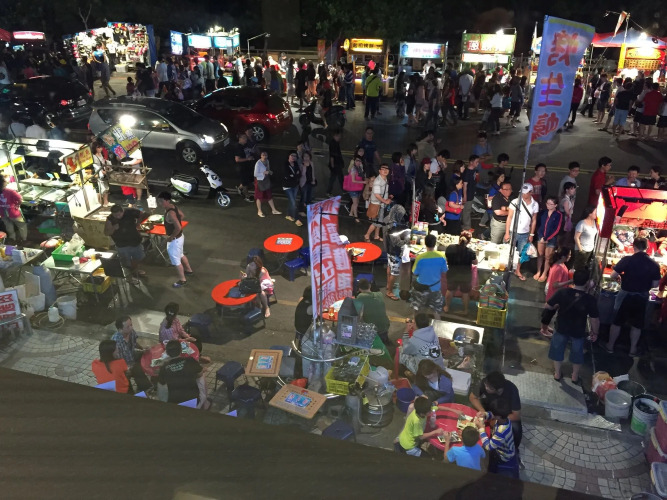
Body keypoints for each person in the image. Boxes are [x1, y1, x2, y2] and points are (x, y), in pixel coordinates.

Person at [540, 269, 599, 384]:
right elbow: (594, 319)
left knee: (557, 349)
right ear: (587, 282)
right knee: (577, 353)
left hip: (561, 327)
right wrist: (595, 332)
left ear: (573, 280)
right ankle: (574, 376)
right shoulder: (590, 299)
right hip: (578, 331)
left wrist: (556, 306)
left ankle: (557, 373)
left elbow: (548, 306)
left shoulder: (562, 292)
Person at [605, 238, 661, 357]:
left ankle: (610, 346)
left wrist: (620, 278)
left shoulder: (627, 260)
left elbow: (613, 275)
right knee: (637, 324)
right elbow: (655, 285)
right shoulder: (654, 264)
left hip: (625, 294)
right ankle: (632, 350)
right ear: (647, 247)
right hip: (642, 296)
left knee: (617, 322)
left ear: (633, 246)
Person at [469, 371, 522, 469]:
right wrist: (484, 413)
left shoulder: (511, 390)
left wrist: (482, 428)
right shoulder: (486, 383)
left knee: (516, 428)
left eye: (489, 388)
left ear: (498, 390)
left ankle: (515, 452)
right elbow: (473, 397)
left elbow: (516, 415)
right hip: (496, 412)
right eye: (486, 385)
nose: (486, 388)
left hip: (504, 414)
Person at [157, 192, 193, 288]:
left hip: (175, 240)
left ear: (167, 200)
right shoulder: (173, 207)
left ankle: (182, 280)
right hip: (180, 237)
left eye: (161, 201)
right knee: (181, 254)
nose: (160, 203)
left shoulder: (170, 213)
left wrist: (170, 237)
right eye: (159, 201)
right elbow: (182, 215)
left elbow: (178, 228)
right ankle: (189, 270)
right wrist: (174, 222)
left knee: (176, 261)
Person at [157, 340, 208, 408]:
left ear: (167, 353)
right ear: (181, 350)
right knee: (202, 374)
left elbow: (161, 386)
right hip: (194, 401)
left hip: (174, 403)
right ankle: (205, 403)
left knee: (161, 385)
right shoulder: (190, 360)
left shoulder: (164, 367)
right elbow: (199, 374)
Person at [504, 183, 539, 281]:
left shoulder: (535, 204)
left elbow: (534, 220)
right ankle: (507, 268)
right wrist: (507, 232)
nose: (524, 195)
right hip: (513, 231)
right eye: (522, 193)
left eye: (526, 193)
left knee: (521, 253)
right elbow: (509, 217)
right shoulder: (515, 202)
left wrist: (531, 234)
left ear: (531, 192)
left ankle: (517, 269)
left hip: (525, 233)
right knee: (508, 250)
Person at [477, 399, 519, 478]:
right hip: (504, 447)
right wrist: (484, 414)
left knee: (489, 461)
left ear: (498, 416)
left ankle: (490, 475)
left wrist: (481, 428)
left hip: (503, 455)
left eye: (493, 413)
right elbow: (492, 415)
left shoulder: (501, 431)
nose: (492, 414)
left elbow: (488, 447)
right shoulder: (504, 418)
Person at [111, 316, 152, 392]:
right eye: (128, 327)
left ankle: (144, 388)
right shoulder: (115, 342)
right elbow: (116, 361)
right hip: (123, 366)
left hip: (132, 359)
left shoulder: (131, 332)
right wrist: (127, 368)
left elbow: (135, 344)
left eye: (131, 325)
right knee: (127, 386)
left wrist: (143, 349)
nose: (131, 328)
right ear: (120, 329)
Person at [104, 205, 145, 281]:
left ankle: (135, 271)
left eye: (119, 214)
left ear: (123, 211)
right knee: (126, 263)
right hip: (122, 245)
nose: (117, 217)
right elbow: (106, 233)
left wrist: (138, 223)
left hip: (135, 241)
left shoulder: (129, 212)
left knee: (137, 258)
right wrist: (113, 228)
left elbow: (141, 213)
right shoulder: (110, 219)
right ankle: (129, 278)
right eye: (115, 215)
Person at [410, 234, 448, 314]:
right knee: (436, 311)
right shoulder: (442, 256)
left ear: (425, 243)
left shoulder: (420, 257)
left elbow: (415, 272)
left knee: (417, 308)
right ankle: (436, 321)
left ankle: (415, 320)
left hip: (421, 287)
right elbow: (445, 271)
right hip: (435, 287)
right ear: (435, 243)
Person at [444, 231, 477, 315]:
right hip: (465, 275)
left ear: (459, 238)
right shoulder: (470, 252)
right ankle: (465, 310)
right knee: (465, 293)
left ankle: (447, 307)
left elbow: (447, 259)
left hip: (452, 273)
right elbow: (475, 262)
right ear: (468, 242)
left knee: (450, 290)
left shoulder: (450, 248)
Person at [383, 204, 410, 301]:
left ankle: (388, 285)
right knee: (394, 273)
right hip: (394, 252)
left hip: (388, 250)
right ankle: (389, 292)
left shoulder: (387, 219)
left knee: (389, 267)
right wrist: (407, 239)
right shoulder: (393, 226)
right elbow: (398, 242)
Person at [534, 196, 564, 282]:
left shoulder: (558, 215)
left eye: (551, 204)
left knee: (548, 257)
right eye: (547, 203)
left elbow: (557, 229)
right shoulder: (543, 212)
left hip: (551, 239)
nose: (548, 205)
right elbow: (538, 224)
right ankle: (538, 271)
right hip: (541, 237)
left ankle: (544, 273)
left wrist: (547, 238)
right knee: (540, 255)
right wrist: (540, 235)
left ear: (555, 205)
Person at [354, 278, 392, 346]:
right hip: (385, 326)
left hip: (372, 329)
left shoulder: (360, 297)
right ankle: (385, 340)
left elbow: (356, 313)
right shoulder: (380, 294)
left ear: (359, 289)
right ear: (370, 286)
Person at [363, 164, 390, 242]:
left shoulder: (384, 179)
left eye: (387, 169)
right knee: (376, 222)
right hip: (377, 204)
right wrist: (385, 201)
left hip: (381, 203)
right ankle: (367, 235)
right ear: (379, 171)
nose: (385, 170)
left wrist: (387, 198)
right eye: (383, 169)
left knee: (379, 221)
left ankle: (376, 235)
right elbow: (377, 195)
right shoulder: (378, 181)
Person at [254, 151, 281, 218]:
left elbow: (268, 169)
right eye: (263, 155)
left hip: (266, 180)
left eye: (266, 155)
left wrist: (269, 172)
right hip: (260, 181)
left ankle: (274, 210)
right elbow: (255, 174)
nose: (264, 157)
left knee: (269, 195)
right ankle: (259, 211)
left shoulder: (267, 161)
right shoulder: (258, 163)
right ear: (261, 156)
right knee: (259, 196)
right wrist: (264, 173)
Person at [0, 175, 27, 243]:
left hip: (3, 213)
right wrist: (17, 205)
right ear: (3, 182)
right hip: (13, 212)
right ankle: (24, 239)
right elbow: (20, 198)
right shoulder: (10, 191)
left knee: (9, 227)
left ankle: (12, 240)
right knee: (21, 226)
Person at [573, 207, 598, 272]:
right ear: (589, 214)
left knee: (586, 268)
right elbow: (576, 237)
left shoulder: (594, 222)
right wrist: (581, 250)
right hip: (582, 250)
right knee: (579, 268)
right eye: (595, 212)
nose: (596, 214)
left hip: (590, 249)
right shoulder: (581, 223)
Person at [233, 134, 255, 202]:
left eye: (246, 138)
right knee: (245, 183)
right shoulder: (238, 147)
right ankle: (246, 196)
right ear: (240, 139)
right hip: (242, 167)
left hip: (247, 166)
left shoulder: (245, 145)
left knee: (247, 180)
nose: (246, 139)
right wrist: (247, 159)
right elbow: (237, 159)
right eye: (244, 138)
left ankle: (240, 188)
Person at [460, 156, 480, 231]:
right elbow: (465, 185)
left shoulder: (474, 171)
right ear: (471, 162)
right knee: (466, 211)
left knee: (466, 210)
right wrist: (465, 196)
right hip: (467, 194)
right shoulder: (467, 172)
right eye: (476, 162)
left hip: (471, 193)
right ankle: (467, 227)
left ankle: (463, 225)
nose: (478, 163)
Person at [282, 151, 302, 226]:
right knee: (293, 203)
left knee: (291, 201)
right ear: (288, 156)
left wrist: (293, 175)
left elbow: (299, 174)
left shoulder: (296, 164)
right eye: (292, 155)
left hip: (295, 186)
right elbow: (286, 176)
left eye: (295, 156)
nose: (293, 157)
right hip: (287, 187)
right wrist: (295, 175)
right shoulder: (285, 164)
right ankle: (297, 219)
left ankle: (288, 215)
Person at [346, 155, 366, 222]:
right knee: (356, 203)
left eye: (360, 161)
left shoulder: (359, 167)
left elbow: (362, 176)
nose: (358, 162)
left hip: (358, 188)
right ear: (354, 161)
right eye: (357, 160)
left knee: (356, 202)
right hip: (353, 188)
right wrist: (363, 182)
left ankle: (351, 213)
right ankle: (356, 216)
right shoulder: (353, 169)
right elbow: (353, 180)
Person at [92, 142, 111, 207]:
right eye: (98, 147)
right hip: (100, 174)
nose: (100, 149)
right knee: (103, 189)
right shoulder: (94, 156)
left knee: (106, 188)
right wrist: (101, 171)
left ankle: (106, 202)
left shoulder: (101, 154)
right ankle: (104, 202)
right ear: (95, 148)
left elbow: (103, 162)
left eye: (100, 147)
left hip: (104, 172)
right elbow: (95, 165)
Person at [326, 130, 344, 196]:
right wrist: (332, 165)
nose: (339, 137)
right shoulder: (333, 144)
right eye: (338, 136)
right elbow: (332, 156)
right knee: (334, 178)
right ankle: (328, 192)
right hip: (336, 164)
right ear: (335, 136)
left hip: (337, 163)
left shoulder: (336, 143)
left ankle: (343, 189)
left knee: (339, 177)